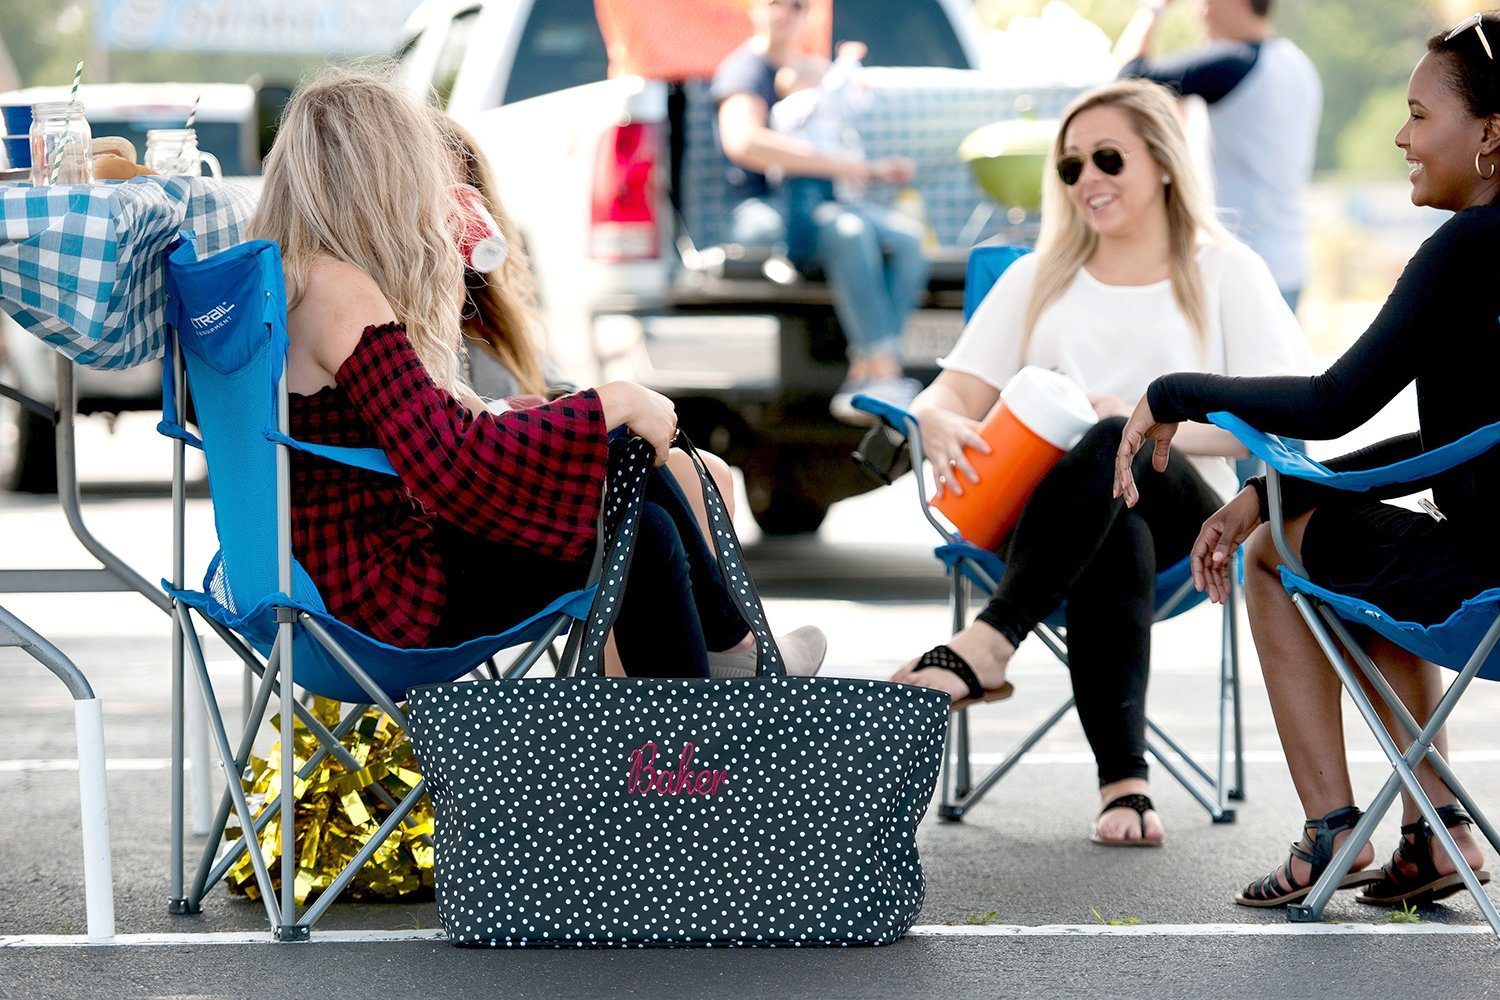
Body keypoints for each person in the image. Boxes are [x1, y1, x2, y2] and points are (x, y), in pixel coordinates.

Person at [250, 68, 827, 679]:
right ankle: (703, 718)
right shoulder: (340, 290)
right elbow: (450, 468)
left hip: (318, 580)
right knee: (638, 529)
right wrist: (612, 402)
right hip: (383, 599)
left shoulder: (286, 277)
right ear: (384, 179)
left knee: (637, 511)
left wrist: (512, 411)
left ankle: (718, 680)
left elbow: (401, 431)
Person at [1114, 15, 1499, 905]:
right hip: (1484, 569)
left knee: (1277, 555)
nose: (1401, 136)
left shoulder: (1472, 248)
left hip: (1486, 584)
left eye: (1417, 114)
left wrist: (1172, 393)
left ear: (1489, 135)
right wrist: (1276, 485)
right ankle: (1433, 835)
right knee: (1340, 545)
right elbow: (1468, 441)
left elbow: (1333, 403)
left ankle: (1333, 829)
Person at [888, 79, 1310, 846]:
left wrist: (1152, 426)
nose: (1088, 180)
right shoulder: (1036, 276)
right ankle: (1126, 784)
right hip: (1043, 528)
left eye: (1108, 158)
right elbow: (943, 396)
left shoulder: (1226, 272)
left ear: (1164, 163)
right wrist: (939, 420)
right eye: (1070, 167)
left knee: (1118, 434)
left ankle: (989, 644)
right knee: (1115, 511)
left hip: (1196, 525)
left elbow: (1279, 420)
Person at [439, 115, 805, 676]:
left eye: (467, 194)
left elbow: (548, 390)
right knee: (640, 509)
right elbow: (466, 443)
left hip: (519, 485)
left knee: (695, 473)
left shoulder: (487, 313)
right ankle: (723, 661)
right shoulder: (399, 323)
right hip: (480, 522)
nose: (461, 215)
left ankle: (717, 668)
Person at [712, 0, 930, 425]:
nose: (786, 12)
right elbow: (744, 141)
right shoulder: (745, 70)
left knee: (906, 239)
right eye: (776, 3)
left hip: (830, 200)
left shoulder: (815, 71)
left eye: (797, 5)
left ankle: (866, 369)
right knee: (847, 233)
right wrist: (849, 166)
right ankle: (884, 371)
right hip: (763, 209)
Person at [1116, 0, 1321, 311]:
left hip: (1243, 266)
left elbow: (1125, 83)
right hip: (1289, 259)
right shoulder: (1296, 62)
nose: (1199, 10)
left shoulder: (1233, 64)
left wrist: (1154, 7)